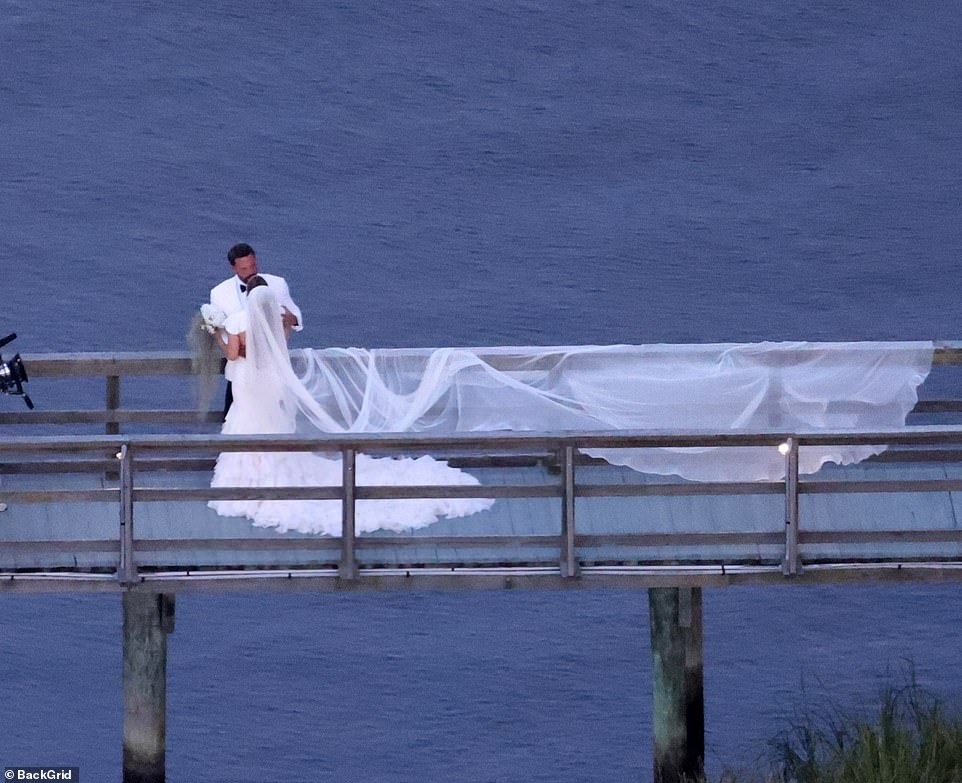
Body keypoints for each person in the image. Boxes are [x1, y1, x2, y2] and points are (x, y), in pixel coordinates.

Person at [207, 282, 493, 534]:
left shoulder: (238, 323)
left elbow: (232, 353)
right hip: (273, 383)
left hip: (248, 384)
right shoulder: (277, 323)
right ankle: (273, 473)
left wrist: (216, 334)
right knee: (272, 426)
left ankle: (250, 481)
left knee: (246, 426)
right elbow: (280, 345)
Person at [209, 242, 303, 415]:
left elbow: (295, 318)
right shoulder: (219, 293)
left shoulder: (278, 284)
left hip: (270, 370)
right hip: (240, 372)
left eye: (253, 266)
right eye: (244, 268)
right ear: (233, 268)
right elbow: (221, 327)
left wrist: (291, 320)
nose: (250, 272)